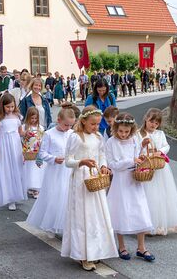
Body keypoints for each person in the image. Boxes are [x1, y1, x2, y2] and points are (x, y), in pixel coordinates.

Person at [61, 106, 118, 271]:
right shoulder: (76, 137)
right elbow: (68, 160)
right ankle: (83, 255)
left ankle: (95, 250)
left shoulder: (99, 136)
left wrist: (104, 167)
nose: (95, 127)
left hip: (95, 179)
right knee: (83, 217)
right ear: (83, 121)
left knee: (96, 216)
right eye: (93, 124)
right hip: (81, 179)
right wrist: (81, 162)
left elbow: (102, 156)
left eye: (98, 124)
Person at [106, 112, 155, 262]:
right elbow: (112, 164)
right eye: (120, 131)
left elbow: (138, 156)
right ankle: (121, 246)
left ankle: (141, 247)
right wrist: (130, 161)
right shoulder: (111, 143)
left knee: (139, 210)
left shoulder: (134, 140)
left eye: (126, 131)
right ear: (115, 128)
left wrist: (142, 149)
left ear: (132, 130)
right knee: (120, 211)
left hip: (134, 180)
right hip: (120, 181)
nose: (123, 134)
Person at [138, 108, 177, 235]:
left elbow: (167, 146)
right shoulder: (139, 134)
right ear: (146, 119)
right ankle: (147, 224)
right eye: (151, 121)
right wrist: (144, 150)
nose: (153, 125)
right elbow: (136, 147)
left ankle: (161, 224)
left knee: (162, 194)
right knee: (148, 194)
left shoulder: (160, 134)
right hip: (147, 166)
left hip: (160, 167)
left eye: (156, 123)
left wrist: (160, 151)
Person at [27, 108, 75, 237]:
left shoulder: (72, 133)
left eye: (71, 125)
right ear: (58, 120)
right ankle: (50, 225)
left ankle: (65, 225)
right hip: (54, 170)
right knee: (54, 195)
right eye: (66, 124)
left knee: (66, 196)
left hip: (69, 169)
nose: (68, 127)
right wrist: (53, 159)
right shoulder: (49, 134)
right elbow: (42, 153)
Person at [0, 93, 27, 211]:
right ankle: (9, 198)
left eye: (12, 106)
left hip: (16, 146)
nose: (10, 109)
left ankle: (16, 195)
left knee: (17, 169)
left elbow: (20, 132)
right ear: (2, 106)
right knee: (6, 170)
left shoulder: (18, 117)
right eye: (7, 107)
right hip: (3, 145)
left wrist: (30, 134)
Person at [21, 107, 44, 199]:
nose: (34, 120)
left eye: (35, 118)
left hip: (37, 151)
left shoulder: (40, 128)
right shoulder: (24, 127)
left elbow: (42, 139)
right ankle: (29, 186)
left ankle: (36, 188)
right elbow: (21, 139)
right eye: (32, 118)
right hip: (28, 152)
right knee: (28, 170)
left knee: (36, 170)